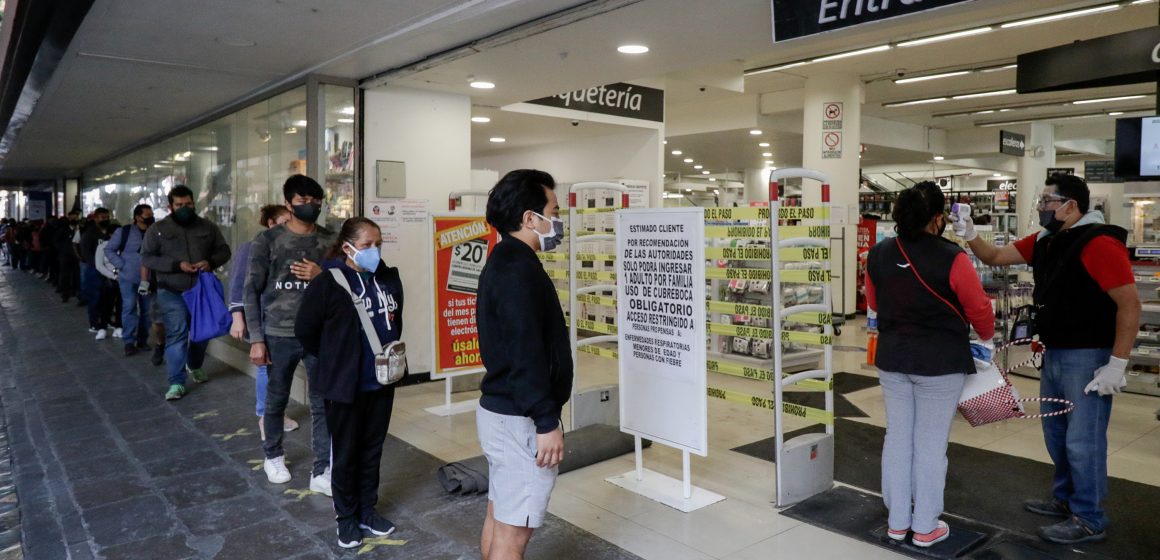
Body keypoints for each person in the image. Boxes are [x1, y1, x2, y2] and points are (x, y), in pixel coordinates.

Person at [951, 173, 1139, 544]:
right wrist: (969, 231)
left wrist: (1117, 363)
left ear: (1071, 206)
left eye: (1047, 200)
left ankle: (1089, 516)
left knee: (1083, 439)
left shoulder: (1099, 243)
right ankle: (1065, 499)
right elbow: (995, 256)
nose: (1040, 207)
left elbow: (1129, 304)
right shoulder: (1046, 240)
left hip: (1088, 355)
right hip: (1054, 350)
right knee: (1057, 434)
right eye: (1041, 199)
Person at [865, 182, 995, 548]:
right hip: (940, 363)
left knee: (898, 437)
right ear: (938, 218)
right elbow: (978, 308)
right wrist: (986, 338)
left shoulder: (878, 253)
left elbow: (874, 303)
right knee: (930, 444)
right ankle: (924, 527)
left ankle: (896, 520)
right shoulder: (952, 257)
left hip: (892, 359)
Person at [475, 169, 571, 560]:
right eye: (554, 210)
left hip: (503, 412)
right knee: (514, 535)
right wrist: (546, 422)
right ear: (530, 218)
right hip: (522, 421)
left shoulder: (506, 260)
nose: (558, 221)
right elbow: (525, 352)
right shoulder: (517, 271)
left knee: (500, 516)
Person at [296, 218, 404, 549]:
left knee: (372, 449)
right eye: (368, 244)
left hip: (381, 383)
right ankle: (346, 519)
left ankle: (367, 511)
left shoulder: (388, 278)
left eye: (378, 243)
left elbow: (395, 320)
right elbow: (306, 331)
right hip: (345, 385)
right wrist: (336, 359)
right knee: (345, 454)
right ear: (348, 247)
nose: (375, 250)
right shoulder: (328, 283)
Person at [244, 175, 335, 493]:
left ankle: (323, 468)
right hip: (278, 333)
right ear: (287, 203)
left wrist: (321, 274)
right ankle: (273, 455)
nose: (310, 206)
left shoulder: (329, 240)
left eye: (315, 200)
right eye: (302, 200)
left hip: (319, 334)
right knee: (276, 399)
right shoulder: (267, 241)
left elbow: (346, 284)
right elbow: (251, 290)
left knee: (323, 402)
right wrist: (256, 338)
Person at [140, 185, 231, 401]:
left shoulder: (207, 227)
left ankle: (195, 364)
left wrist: (210, 262)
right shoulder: (158, 229)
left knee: (202, 333)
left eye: (188, 204)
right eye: (179, 205)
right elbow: (147, 257)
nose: (184, 208)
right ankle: (177, 383)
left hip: (201, 290)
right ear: (170, 206)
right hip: (171, 291)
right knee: (178, 334)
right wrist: (176, 265)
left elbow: (224, 250)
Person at [227, 205, 298, 438]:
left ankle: (276, 413)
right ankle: (265, 416)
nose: (289, 226)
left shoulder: (291, 247)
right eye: (283, 221)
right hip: (262, 318)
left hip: (285, 318)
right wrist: (238, 318)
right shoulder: (251, 248)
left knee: (279, 367)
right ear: (270, 223)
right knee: (267, 366)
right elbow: (238, 285)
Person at [106, 204, 154, 356]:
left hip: (149, 278)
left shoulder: (154, 232)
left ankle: (142, 340)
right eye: (147, 215)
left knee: (146, 310)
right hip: (128, 277)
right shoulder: (124, 231)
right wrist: (122, 265)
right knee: (129, 307)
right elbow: (109, 250)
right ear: (138, 217)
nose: (150, 217)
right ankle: (128, 341)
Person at [78, 208, 112, 337]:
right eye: (102, 217)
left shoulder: (109, 232)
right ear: (96, 218)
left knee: (108, 298)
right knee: (95, 297)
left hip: (109, 269)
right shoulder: (89, 234)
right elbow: (86, 254)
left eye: (107, 217)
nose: (105, 219)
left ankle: (105, 320)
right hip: (94, 270)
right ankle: (94, 323)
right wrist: (99, 266)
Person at [54, 211, 82, 303]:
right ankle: (65, 294)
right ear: (69, 218)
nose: (74, 219)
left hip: (78, 256)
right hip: (65, 256)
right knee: (65, 275)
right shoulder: (63, 230)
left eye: (76, 218)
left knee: (78, 276)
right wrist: (63, 250)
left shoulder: (81, 229)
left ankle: (78, 294)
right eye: (72, 218)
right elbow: (56, 242)